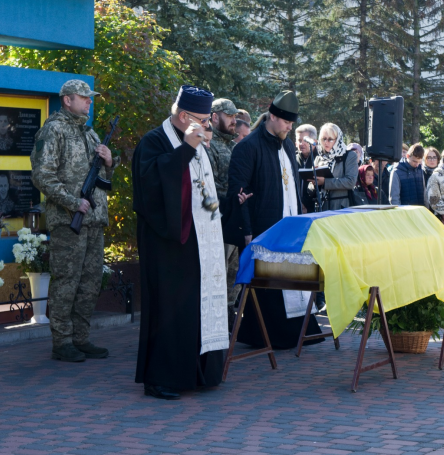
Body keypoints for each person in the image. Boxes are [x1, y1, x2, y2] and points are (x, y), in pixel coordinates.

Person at [132, 85, 230, 401]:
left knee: (196, 308)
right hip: (168, 242)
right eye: (203, 119)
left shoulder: (197, 141)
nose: (207, 125)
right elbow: (152, 189)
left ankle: (200, 372)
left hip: (200, 241)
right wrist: (186, 148)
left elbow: (203, 189)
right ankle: (161, 378)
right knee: (169, 310)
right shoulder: (153, 141)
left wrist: (219, 215)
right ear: (184, 115)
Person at [224, 90, 325, 349]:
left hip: (290, 226)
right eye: (286, 123)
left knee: (292, 279)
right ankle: (268, 336)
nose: (290, 128)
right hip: (264, 229)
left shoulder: (288, 144)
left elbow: (291, 184)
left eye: (292, 124)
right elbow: (238, 191)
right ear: (271, 116)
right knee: (268, 288)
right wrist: (246, 230)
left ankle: (297, 331)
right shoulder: (248, 147)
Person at [31, 80, 117, 363]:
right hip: (69, 220)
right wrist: (72, 202)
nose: (88, 102)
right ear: (67, 100)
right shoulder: (53, 129)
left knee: (90, 282)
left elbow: (104, 185)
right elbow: (42, 176)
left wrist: (108, 163)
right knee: (67, 281)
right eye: (84, 98)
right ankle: (62, 341)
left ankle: (81, 338)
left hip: (93, 220)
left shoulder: (90, 134)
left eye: (90, 99)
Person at [206, 98, 242, 314]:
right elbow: (209, 185)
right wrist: (234, 197)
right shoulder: (209, 145)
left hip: (236, 216)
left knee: (235, 269)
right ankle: (217, 313)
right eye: (229, 116)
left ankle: (229, 311)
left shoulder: (234, 146)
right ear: (214, 116)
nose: (233, 120)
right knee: (220, 269)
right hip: (219, 217)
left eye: (235, 116)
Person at [311, 123, 358, 211]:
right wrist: (313, 182)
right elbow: (310, 188)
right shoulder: (319, 158)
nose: (326, 142)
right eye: (324, 139)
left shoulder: (349, 156)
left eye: (330, 139)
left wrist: (325, 182)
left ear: (337, 140)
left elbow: (350, 182)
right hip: (322, 209)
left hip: (341, 208)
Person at [295, 123, 319, 213]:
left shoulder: (320, 159)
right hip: (295, 207)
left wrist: (305, 203)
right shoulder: (292, 159)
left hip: (314, 209)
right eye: (299, 140)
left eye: (305, 140)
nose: (301, 144)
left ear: (314, 142)